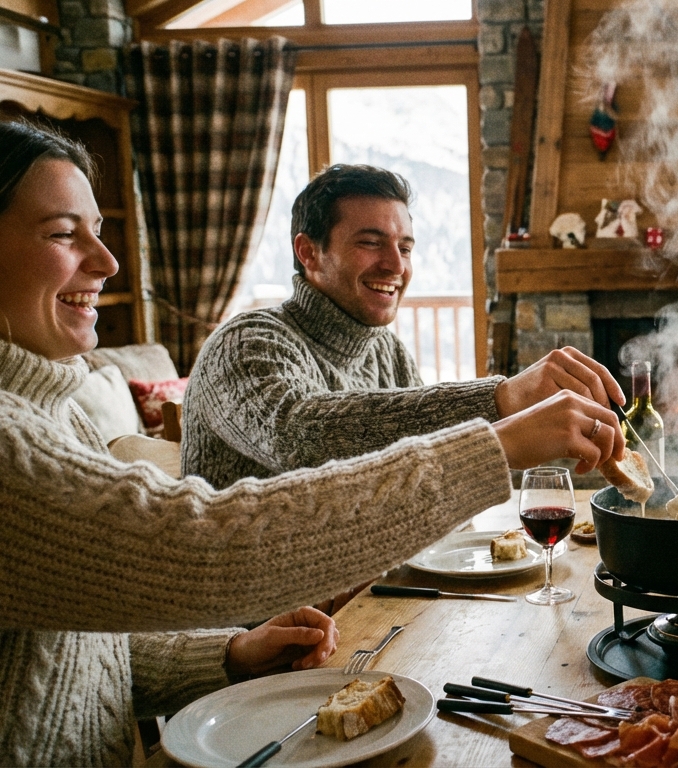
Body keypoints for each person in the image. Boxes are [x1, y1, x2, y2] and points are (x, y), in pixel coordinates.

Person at [0, 119, 622, 766]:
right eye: (64, 234)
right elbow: (290, 448)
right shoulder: (249, 342)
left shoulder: (55, 413)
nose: (107, 263)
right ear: (307, 253)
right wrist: (496, 420)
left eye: (98, 234)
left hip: (334, 633)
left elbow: (92, 644)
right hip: (268, 674)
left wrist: (229, 656)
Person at [183, 163, 624, 489]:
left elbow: (420, 475)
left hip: (369, 594)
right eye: (371, 243)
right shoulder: (245, 342)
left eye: (406, 247)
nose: (396, 265)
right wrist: (501, 399)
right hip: (260, 614)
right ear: (309, 252)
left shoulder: (385, 351)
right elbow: (299, 437)